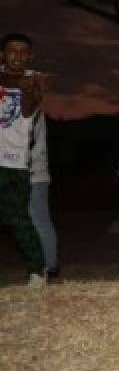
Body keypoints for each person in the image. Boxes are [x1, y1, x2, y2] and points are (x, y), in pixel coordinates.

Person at [0, 33, 48, 286]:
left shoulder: (35, 82)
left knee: (17, 219)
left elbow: (29, 110)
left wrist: (27, 85)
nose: (17, 56)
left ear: (30, 56)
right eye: (11, 50)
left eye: (22, 52)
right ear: (2, 54)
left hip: (13, 162)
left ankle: (37, 271)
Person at [29, 109, 58, 280]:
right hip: (21, 172)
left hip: (33, 174)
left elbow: (29, 140)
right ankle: (42, 266)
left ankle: (47, 267)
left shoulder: (31, 107)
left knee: (39, 222)